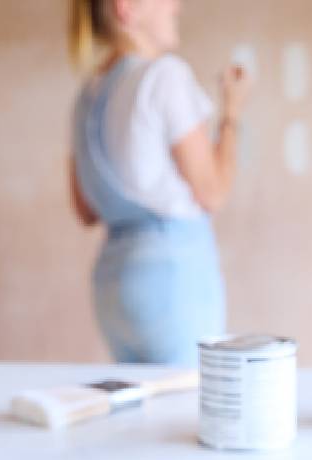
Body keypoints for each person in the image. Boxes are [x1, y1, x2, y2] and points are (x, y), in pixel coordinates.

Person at [67, 0, 250, 366]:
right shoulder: (164, 76)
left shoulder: (87, 96)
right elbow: (212, 192)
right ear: (126, 9)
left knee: (141, 416)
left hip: (112, 285)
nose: (177, 7)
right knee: (183, 409)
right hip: (171, 281)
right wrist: (231, 113)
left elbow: (86, 211)